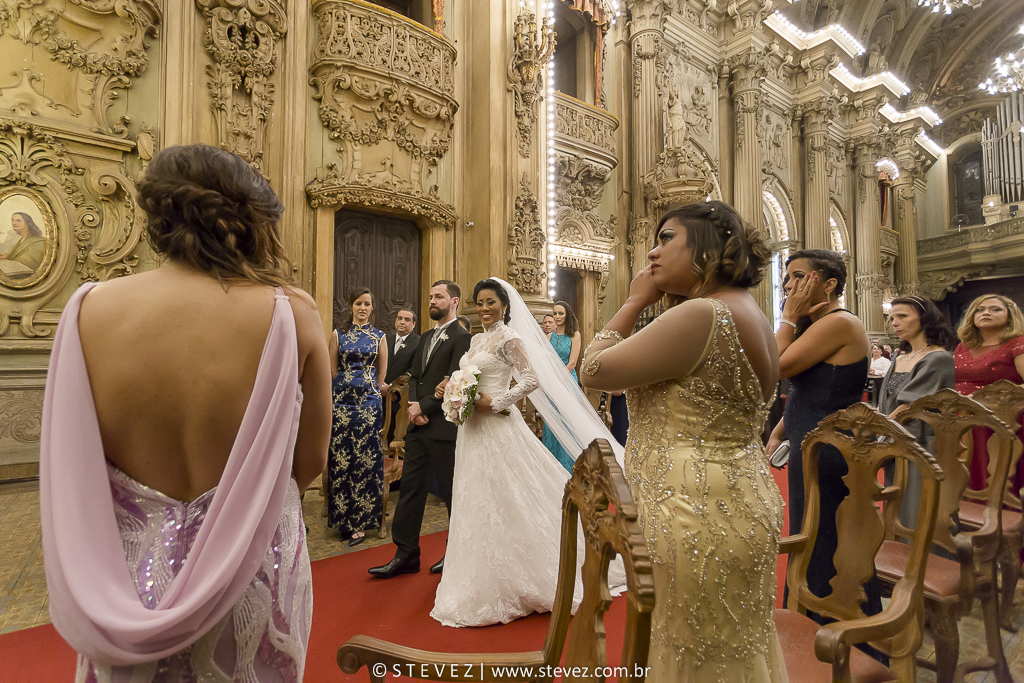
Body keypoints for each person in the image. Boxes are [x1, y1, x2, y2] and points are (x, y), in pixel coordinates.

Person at [39, 143, 331, 681]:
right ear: (252, 219)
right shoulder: (292, 310)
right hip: (251, 568)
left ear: (156, 216)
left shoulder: (88, 310)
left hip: (124, 579)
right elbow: (310, 460)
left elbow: (72, 462)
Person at [582, 201, 786, 682]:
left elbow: (594, 370)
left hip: (697, 513)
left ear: (710, 249)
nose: (652, 253)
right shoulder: (748, 311)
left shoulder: (702, 314)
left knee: (696, 652)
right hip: (735, 499)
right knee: (726, 648)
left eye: (666, 238)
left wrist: (634, 301)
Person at [431, 278, 626, 627]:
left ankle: (531, 571)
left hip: (497, 424)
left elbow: (531, 379)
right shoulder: (476, 339)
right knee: (475, 495)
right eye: (480, 302)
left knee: (508, 494)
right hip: (471, 431)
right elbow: (466, 376)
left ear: (505, 306)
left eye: (491, 302)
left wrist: (497, 401)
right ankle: (481, 573)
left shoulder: (510, 338)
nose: (485, 308)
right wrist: (451, 387)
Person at [764, 249, 882, 635]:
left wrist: (786, 318)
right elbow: (810, 389)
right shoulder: (815, 325)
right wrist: (781, 428)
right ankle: (808, 622)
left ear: (829, 284)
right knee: (808, 533)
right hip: (809, 440)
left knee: (825, 538)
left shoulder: (839, 322)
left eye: (799, 277)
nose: (789, 286)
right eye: (787, 279)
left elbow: (774, 367)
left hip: (831, 449)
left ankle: (835, 629)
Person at [369, 280, 472, 578]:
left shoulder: (462, 337)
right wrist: (414, 405)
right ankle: (405, 554)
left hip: (444, 428)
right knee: (411, 490)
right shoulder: (425, 336)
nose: (432, 301)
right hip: (418, 427)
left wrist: (424, 408)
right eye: (430, 296)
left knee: (453, 494)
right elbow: (413, 374)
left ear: (453, 302)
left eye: (438, 297)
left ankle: (456, 554)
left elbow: (456, 379)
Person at [878, 296, 955, 527]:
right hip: (896, 437)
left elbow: (909, 406)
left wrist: (875, 430)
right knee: (897, 500)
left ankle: (927, 559)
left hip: (921, 441)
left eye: (903, 316)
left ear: (925, 318)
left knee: (918, 506)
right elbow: (886, 402)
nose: (894, 322)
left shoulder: (938, 357)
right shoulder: (900, 358)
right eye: (892, 318)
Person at [327, 288, 388, 546]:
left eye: (367, 304)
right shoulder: (338, 334)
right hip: (341, 404)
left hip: (369, 404)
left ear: (372, 308)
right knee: (341, 459)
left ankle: (361, 523)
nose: (363, 308)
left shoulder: (379, 337)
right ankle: (343, 519)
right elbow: (331, 371)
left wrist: (374, 391)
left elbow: (381, 375)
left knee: (364, 460)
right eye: (358, 303)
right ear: (351, 306)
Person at [954, 294, 1024, 495]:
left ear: (1010, 316)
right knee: (966, 468)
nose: (986, 313)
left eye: (995, 309)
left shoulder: (1017, 343)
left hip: (999, 419)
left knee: (995, 472)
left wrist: (990, 398)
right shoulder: (963, 345)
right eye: (980, 309)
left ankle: (1002, 516)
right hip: (962, 418)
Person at [541, 301, 581, 471]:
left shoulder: (575, 335)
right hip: (553, 383)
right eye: (555, 313)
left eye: (560, 314)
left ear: (567, 315)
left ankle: (567, 467)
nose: (557, 317)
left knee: (566, 424)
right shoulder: (549, 337)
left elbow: (572, 363)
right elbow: (546, 361)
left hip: (567, 382)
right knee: (551, 424)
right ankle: (552, 468)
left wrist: (558, 382)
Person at [384, 307, 420, 446]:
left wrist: (392, 388)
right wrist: (382, 386)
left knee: (396, 432)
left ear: (414, 324)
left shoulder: (418, 342)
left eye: (407, 319)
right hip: (381, 393)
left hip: (400, 397)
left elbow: (414, 368)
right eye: (399, 318)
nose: (402, 322)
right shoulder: (386, 340)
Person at [0, 211, 45, 276]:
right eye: (13, 220)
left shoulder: (38, 242)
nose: (14, 223)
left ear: (27, 223)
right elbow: (21, 255)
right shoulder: (23, 239)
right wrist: (8, 256)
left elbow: (29, 263)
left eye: (18, 221)